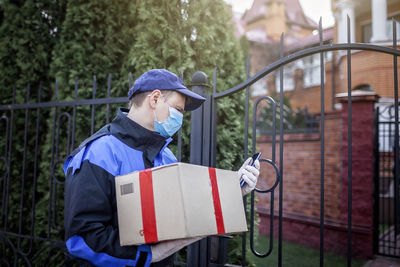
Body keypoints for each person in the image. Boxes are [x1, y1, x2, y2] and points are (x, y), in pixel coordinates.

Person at [63, 69, 260, 267]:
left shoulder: (166, 156)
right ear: (155, 98)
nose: (180, 118)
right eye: (178, 109)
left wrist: (234, 191)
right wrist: (148, 255)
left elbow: (187, 213)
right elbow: (82, 239)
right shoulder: (100, 153)